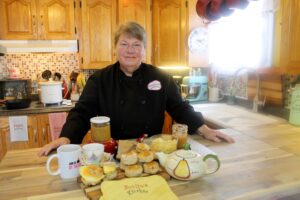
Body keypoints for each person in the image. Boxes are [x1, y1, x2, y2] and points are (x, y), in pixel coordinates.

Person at [38, 21, 234, 156]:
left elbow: (180, 107)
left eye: (136, 45)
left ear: (144, 50)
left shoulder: (161, 77)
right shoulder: (100, 80)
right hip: (112, 153)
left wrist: (204, 130)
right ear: (115, 47)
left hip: (152, 152)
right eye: (124, 44)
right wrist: (66, 138)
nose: (130, 50)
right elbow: (82, 112)